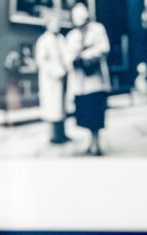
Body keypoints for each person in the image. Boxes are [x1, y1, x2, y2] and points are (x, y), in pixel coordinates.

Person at [66, 3, 110, 156]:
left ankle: (96, 143)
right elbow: (68, 57)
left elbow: (104, 48)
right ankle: (90, 142)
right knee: (86, 115)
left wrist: (86, 54)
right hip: (81, 83)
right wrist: (75, 57)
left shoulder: (98, 29)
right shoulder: (72, 35)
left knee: (97, 114)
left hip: (96, 82)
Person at [34, 14, 69, 144]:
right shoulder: (43, 40)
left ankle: (63, 133)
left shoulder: (61, 39)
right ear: (48, 24)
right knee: (52, 107)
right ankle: (54, 136)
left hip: (63, 76)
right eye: (54, 23)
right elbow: (41, 60)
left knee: (62, 107)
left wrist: (66, 68)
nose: (57, 25)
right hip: (50, 79)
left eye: (58, 23)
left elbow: (66, 55)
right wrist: (55, 71)